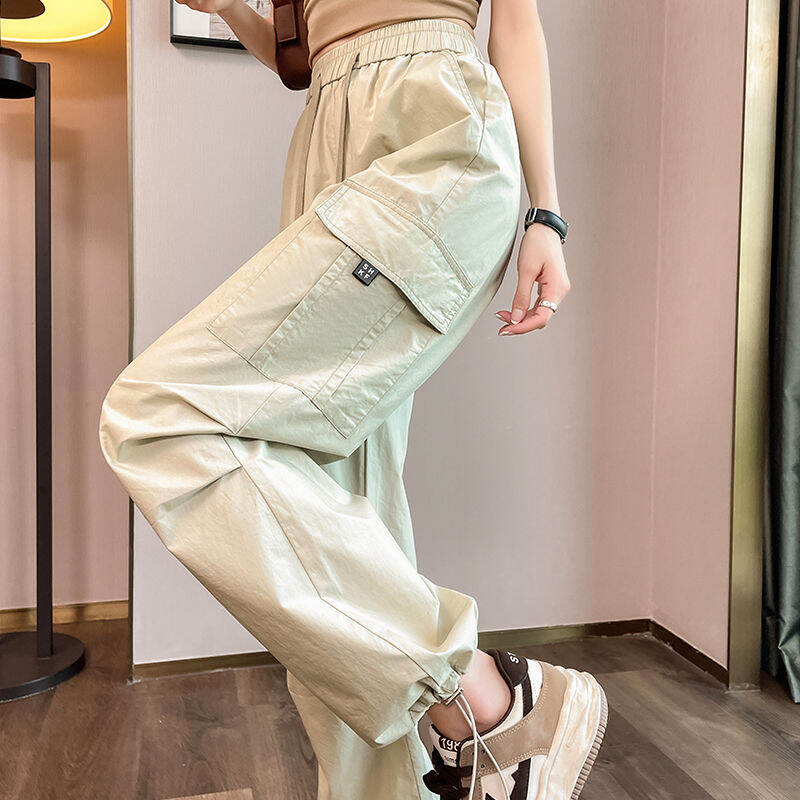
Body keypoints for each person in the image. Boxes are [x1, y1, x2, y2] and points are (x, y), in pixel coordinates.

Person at [99, 1, 606, 798]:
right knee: (338, 521)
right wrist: (229, 8)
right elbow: (301, 55)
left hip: (433, 126)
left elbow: (515, 19)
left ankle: (486, 696)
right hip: (327, 138)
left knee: (158, 418)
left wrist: (546, 214)